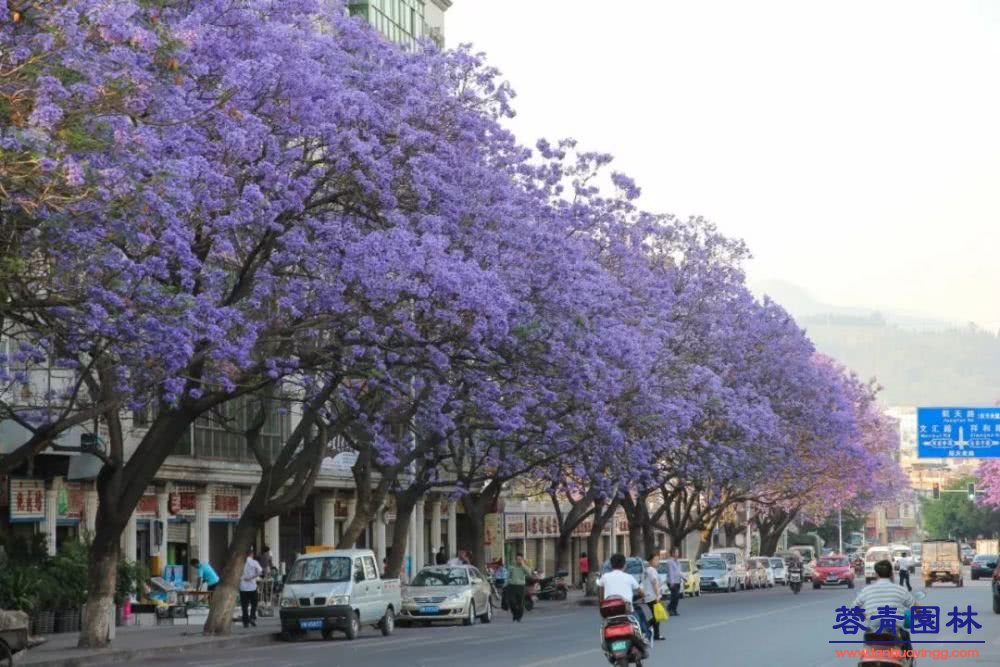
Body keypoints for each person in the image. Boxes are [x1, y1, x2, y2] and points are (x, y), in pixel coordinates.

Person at [852, 560, 915, 643]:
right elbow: (916, 608)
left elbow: (854, 608)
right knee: (906, 643)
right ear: (891, 574)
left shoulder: (867, 590)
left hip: (872, 632)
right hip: (895, 632)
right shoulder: (901, 590)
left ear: (876, 574)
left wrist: (864, 616)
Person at [598, 553, 650, 645]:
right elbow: (640, 591)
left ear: (611, 565)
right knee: (637, 618)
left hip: (609, 610)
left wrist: (602, 603)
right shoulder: (629, 577)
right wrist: (643, 595)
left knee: (605, 624)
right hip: (626, 609)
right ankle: (642, 636)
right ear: (624, 565)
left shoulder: (605, 577)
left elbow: (600, 590)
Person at [239, 548, 264, 628]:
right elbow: (260, 571)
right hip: (252, 587)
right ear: (251, 554)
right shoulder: (254, 562)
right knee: (254, 603)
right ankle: (252, 617)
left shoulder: (240, 563)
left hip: (242, 587)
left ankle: (245, 621)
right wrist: (252, 577)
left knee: (244, 605)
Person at [643, 553, 665, 641]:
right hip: (653, 596)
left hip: (649, 596)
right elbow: (654, 582)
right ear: (651, 561)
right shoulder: (651, 570)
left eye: (658, 559)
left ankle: (656, 634)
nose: (657, 561)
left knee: (657, 615)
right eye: (656, 559)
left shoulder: (647, 570)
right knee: (657, 616)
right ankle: (644, 628)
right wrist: (658, 595)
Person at [506, 553, 533, 622]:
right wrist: (508, 582)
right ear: (515, 560)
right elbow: (508, 576)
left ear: (522, 560)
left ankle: (519, 617)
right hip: (512, 586)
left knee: (520, 603)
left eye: (520, 559)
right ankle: (515, 614)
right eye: (517, 559)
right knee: (512, 602)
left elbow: (529, 573)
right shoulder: (512, 567)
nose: (518, 560)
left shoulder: (524, 567)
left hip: (521, 586)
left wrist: (523, 565)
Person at [664, 547, 684, 616]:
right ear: (672, 553)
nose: (678, 553)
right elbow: (671, 572)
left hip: (678, 581)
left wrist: (684, 578)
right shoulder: (670, 562)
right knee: (675, 596)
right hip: (671, 582)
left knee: (676, 597)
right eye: (676, 552)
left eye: (678, 552)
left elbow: (679, 572)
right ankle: (669, 608)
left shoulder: (678, 562)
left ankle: (674, 610)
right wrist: (672, 582)